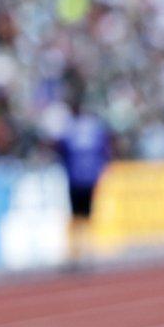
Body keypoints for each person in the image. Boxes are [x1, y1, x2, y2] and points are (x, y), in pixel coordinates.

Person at [55, 90, 112, 264]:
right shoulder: (95, 127)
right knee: (87, 214)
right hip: (90, 176)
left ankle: (76, 251)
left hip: (75, 177)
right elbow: (106, 149)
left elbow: (60, 149)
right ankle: (87, 249)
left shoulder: (69, 128)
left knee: (76, 214)